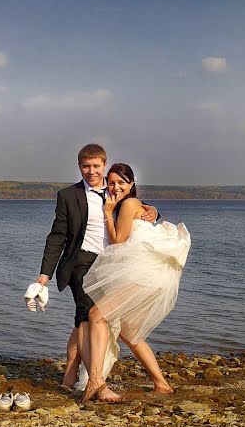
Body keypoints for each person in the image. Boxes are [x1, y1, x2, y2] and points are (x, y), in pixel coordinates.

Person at [32, 144, 159, 389]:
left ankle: (69, 376)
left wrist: (154, 210)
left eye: (96, 166)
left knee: (87, 320)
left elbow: (136, 209)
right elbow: (57, 236)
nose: (91, 171)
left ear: (104, 165)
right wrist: (44, 274)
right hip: (82, 261)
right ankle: (97, 383)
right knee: (88, 317)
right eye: (86, 166)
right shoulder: (68, 196)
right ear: (79, 167)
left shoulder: (117, 190)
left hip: (114, 266)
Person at [80, 163, 191, 403]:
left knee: (96, 314)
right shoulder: (134, 205)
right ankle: (161, 384)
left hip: (144, 273)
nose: (116, 187)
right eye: (111, 183)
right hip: (147, 273)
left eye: (121, 182)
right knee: (129, 331)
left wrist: (109, 212)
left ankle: (96, 379)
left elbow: (118, 240)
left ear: (132, 184)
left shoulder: (129, 204)